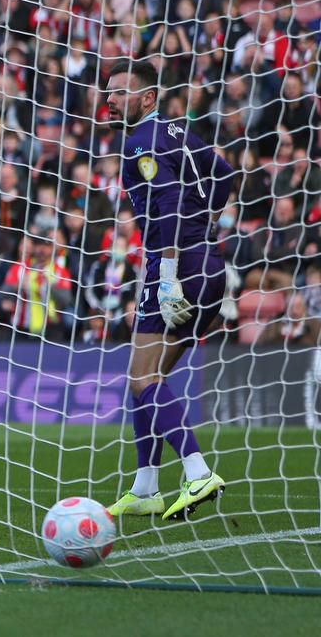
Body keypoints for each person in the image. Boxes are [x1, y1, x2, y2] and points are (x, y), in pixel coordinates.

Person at [103, 60, 235, 520]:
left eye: (122, 92)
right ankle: (145, 488)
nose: (112, 100)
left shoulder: (141, 140)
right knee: (145, 378)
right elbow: (224, 179)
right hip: (209, 261)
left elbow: (170, 205)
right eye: (109, 92)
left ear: (148, 98)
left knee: (143, 378)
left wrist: (168, 273)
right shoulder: (181, 134)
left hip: (177, 264)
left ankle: (198, 472)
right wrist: (205, 227)